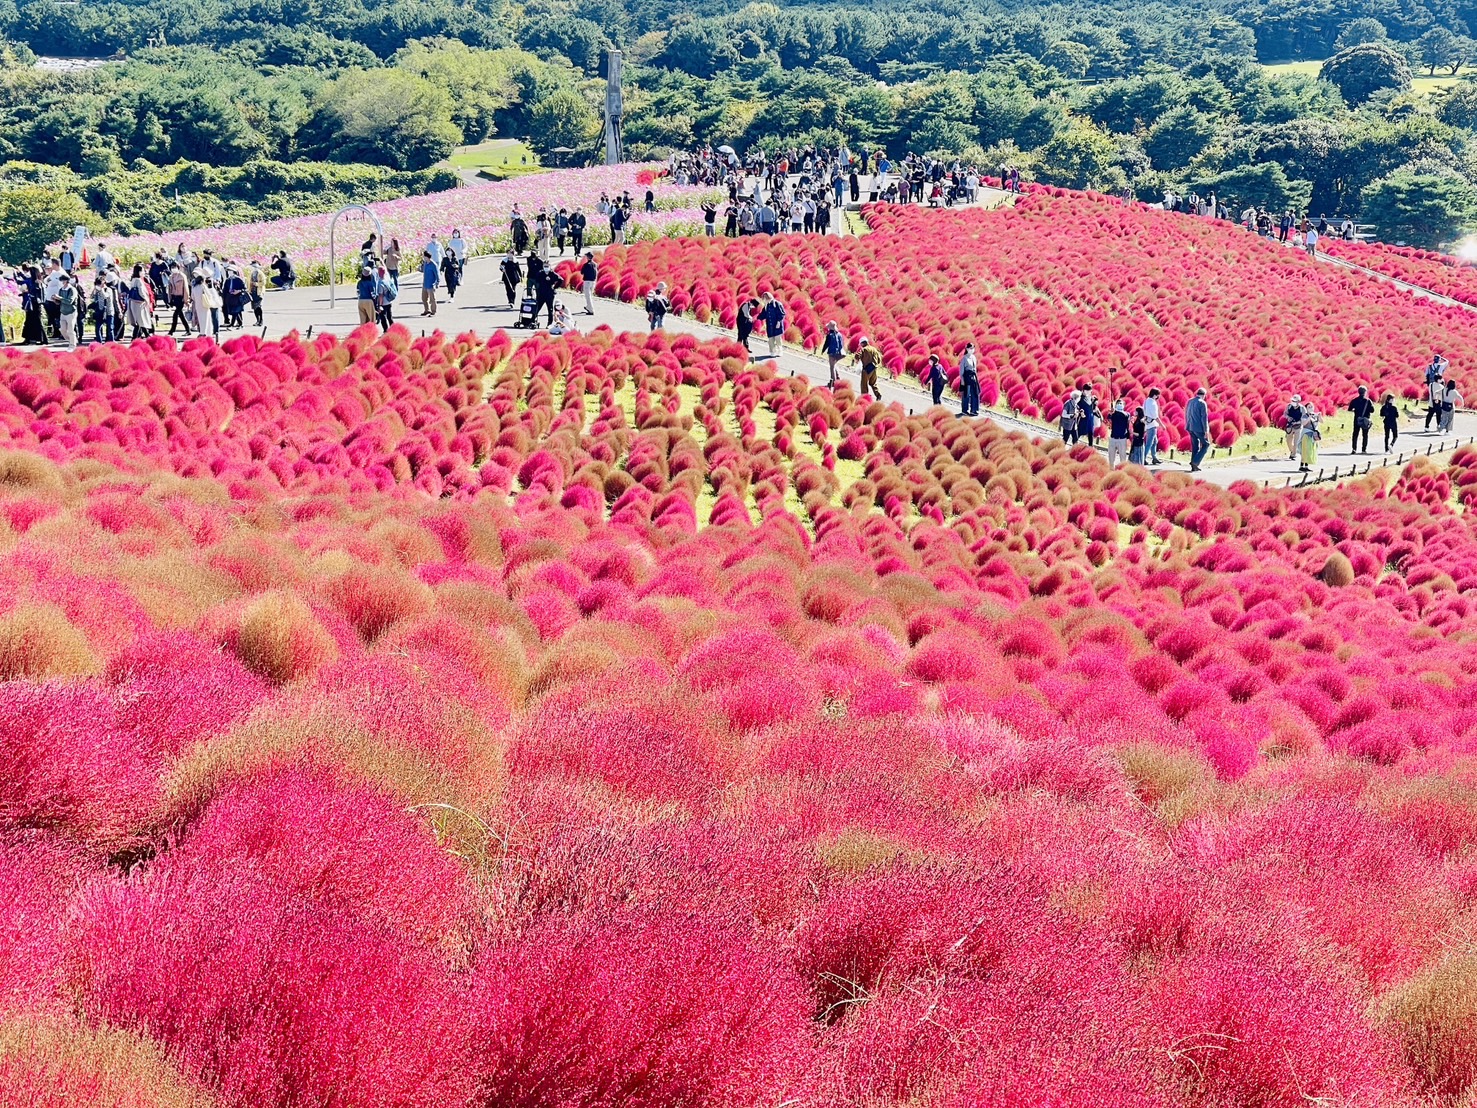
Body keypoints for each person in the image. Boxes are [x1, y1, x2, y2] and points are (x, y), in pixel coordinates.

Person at [20, 266, 47, 344]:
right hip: (33, 303)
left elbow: (37, 293)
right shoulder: (34, 281)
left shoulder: (37, 282)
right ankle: (28, 339)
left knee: (37, 321)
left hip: (35, 304)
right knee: (29, 321)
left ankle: (42, 339)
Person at [1186, 387, 1210, 472]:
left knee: (1195, 446)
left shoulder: (1190, 401)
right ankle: (1195, 462)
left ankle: (1194, 466)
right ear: (1204, 395)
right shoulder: (1202, 403)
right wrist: (1206, 430)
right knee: (1206, 444)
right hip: (1199, 428)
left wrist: (1188, 425)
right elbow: (1204, 418)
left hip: (1190, 427)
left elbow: (1187, 413)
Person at [56, 273, 80, 350]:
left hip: (71, 312)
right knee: (62, 330)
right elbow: (59, 302)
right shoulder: (61, 289)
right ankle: (73, 340)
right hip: (63, 312)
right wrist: (55, 299)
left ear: (66, 281)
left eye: (62, 280)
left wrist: (60, 298)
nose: (61, 282)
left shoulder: (72, 290)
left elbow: (70, 301)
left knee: (70, 329)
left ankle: (72, 346)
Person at [166, 263, 191, 335]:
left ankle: (172, 331)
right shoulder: (171, 276)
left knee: (175, 314)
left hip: (181, 297)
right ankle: (188, 330)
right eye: (172, 267)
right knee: (181, 315)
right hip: (174, 297)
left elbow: (186, 289)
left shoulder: (182, 276)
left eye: (174, 267)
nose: (173, 269)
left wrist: (186, 300)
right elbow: (170, 289)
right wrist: (169, 299)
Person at [1348, 386, 1375, 453]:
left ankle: (1354, 449)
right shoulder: (1368, 401)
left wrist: (1355, 410)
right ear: (1365, 392)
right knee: (1365, 435)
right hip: (1365, 420)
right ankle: (1364, 449)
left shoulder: (1354, 400)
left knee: (1355, 434)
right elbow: (1372, 410)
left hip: (1357, 419)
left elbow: (1349, 409)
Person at [760, 292, 786, 358]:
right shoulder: (766, 306)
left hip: (777, 325)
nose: (764, 300)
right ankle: (772, 352)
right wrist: (757, 318)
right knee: (771, 339)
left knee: (778, 339)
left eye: (765, 299)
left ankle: (780, 350)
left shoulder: (777, 304)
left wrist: (778, 322)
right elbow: (763, 314)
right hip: (770, 325)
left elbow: (782, 314)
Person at [1107, 399, 1130, 467]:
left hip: (1122, 439)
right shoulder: (1113, 414)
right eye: (1118, 403)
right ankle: (1111, 470)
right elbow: (1108, 418)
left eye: (1121, 403)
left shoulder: (1126, 414)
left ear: (1124, 405)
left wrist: (1116, 411)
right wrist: (1112, 412)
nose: (1120, 404)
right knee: (1111, 458)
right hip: (1113, 438)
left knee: (1123, 458)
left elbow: (1124, 416)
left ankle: (1122, 471)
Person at [374, 264, 398, 331]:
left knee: (383, 317)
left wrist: (379, 305)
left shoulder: (380, 283)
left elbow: (381, 295)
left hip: (384, 302)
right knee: (390, 317)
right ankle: (394, 329)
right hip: (389, 301)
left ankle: (386, 330)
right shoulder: (387, 279)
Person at [959, 343, 980, 416]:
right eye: (970, 348)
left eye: (973, 348)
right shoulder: (964, 358)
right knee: (966, 394)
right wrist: (962, 380)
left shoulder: (974, 357)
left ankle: (974, 410)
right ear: (967, 349)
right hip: (966, 377)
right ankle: (965, 410)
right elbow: (961, 371)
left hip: (973, 377)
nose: (972, 350)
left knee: (975, 393)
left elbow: (975, 369)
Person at [1298, 406, 1321, 472]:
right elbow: (1303, 423)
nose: (1311, 408)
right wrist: (1309, 417)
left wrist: (1319, 416)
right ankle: (1301, 466)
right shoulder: (1304, 416)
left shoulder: (1315, 416)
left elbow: (1321, 421)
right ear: (1306, 408)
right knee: (1305, 451)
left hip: (1312, 436)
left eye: (1312, 407)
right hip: (1306, 435)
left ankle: (1306, 466)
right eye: (1309, 407)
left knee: (1310, 451)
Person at [823, 321, 845, 386]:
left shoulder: (830, 335)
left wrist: (823, 351)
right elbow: (841, 344)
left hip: (832, 353)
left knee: (832, 367)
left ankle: (833, 382)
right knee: (834, 364)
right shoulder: (839, 334)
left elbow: (826, 344)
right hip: (840, 354)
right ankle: (838, 378)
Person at [1283, 394, 1304, 460]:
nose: (1293, 402)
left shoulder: (1302, 408)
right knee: (1288, 440)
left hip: (1298, 426)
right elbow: (1285, 413)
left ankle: (1293, 455)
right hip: (1290, 425)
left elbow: (1304, 418)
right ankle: (1292, 451)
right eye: (1292, 400)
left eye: (1294, 401)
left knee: (1296, 442)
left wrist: (1298, 422)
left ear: (1298, 401)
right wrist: (1288, 417)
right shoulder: (1289, 406)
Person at [1143, 387, 1161, 464]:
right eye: (1158, 395)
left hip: (1148, 424)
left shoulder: (1147, 401)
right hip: (1152, 425)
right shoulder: (1153, 403)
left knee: (1154, 441)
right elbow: (1155, 416)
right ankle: (1143, 458)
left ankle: (1154, 457)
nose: (1158, 397)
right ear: (1155, 395)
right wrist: (1162, 425)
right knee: (1150, 442)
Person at [420, 251, 439, 316]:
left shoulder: (433, 264)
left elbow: (437, 274)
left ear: (427, 257)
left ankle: (433, 311)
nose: (423, 258)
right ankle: (426, 310)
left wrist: (437, 283)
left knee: (432, 299)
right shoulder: (425, 263)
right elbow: (423, 271)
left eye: (424, 256)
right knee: (424, 298)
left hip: (431, 284)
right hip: (425, 284)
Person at [247, 259, 265, 327]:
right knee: (254, 307)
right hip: (252, 292)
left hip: (259, 292)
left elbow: (263, 283)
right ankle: (257, 320)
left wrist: (256, 284)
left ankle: (261, 320)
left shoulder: (260, 273)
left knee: (258, 306)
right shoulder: (251, 273)